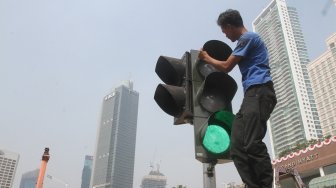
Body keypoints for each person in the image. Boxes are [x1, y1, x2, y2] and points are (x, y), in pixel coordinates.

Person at [198, 9, 277, 188]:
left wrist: (206, 57)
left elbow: (226, 66)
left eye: (224, 31)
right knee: (237, 147)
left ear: (229, 26)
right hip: (252, 94)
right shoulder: (245, 41)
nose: (225, 35)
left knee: (252, 143)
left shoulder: (248, 38)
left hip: (260, 91)